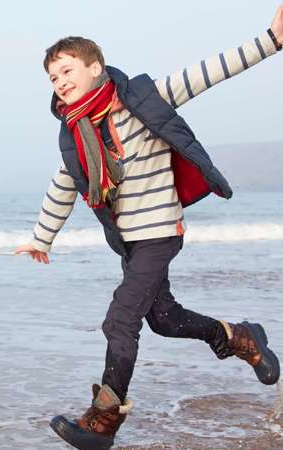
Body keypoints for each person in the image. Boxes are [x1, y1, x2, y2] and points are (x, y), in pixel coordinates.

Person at [15, 6, 283, 450]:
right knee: (163, 318)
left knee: (120, 320)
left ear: (94, 67)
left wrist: (271, 41)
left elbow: (209, 72)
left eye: (67, 70)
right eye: (52, 77)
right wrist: (42, 238)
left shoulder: (142, 97)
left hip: (160, 228)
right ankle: (240, 338)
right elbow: (64, 183)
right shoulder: (75, 131)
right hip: (131, 243)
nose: (60, 82)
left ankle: (103, 423)